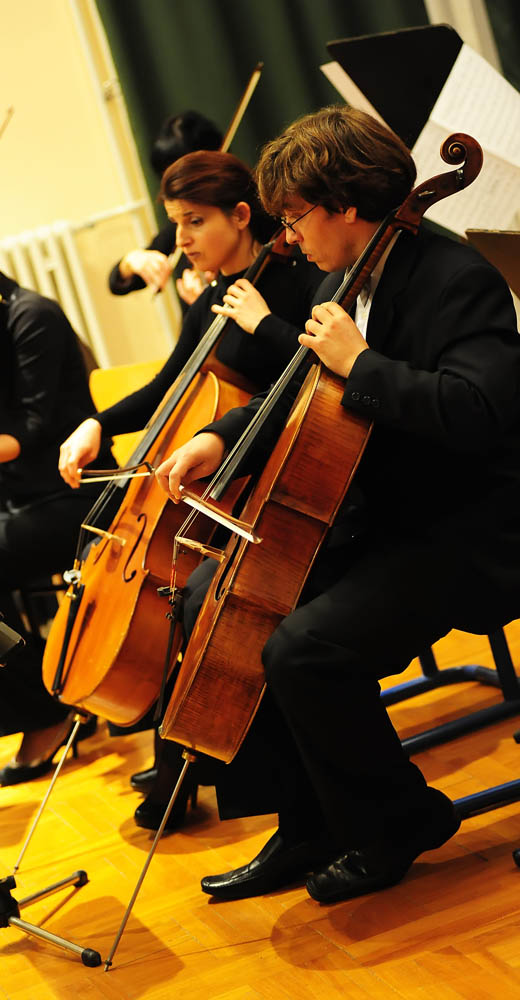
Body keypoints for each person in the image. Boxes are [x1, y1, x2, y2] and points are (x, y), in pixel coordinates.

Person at [153, 105, 520, 905]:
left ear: (347, 206)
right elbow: (302, 398)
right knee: (216, 600)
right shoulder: (341, 279)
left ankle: (399, 819)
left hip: (464, 528)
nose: (287, 236)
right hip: (383, 517)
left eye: (294, 216)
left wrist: (363, 364)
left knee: (303, 649)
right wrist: (224, 435)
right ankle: (310, 821)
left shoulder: (456, 279)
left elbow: (481, 412)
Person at [59, 148, 323, 827]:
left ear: (242, 216)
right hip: (214, 481)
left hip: (271, 477)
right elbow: (170, 386)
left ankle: (204, 757)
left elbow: (303, 379)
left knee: (192, 593)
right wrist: (96, 422)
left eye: (192, 222)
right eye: (174, 223)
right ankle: (183, 749)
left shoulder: (291, 282)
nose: (178, 242)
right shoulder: (209, 295)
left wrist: (262, 319)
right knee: (179, 587)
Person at [0, 271, 115, 785]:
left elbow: (34, 429)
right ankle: (47, 698)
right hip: (23, 498)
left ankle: (49, 709)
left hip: (76, 495)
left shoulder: (32, 316)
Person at [108, 110, 222, 305]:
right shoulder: (179, 231)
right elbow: (116, 282)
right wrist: (132, 261)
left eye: (181, 176)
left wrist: (206, 305)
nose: (181, 239)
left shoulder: (245, 216)